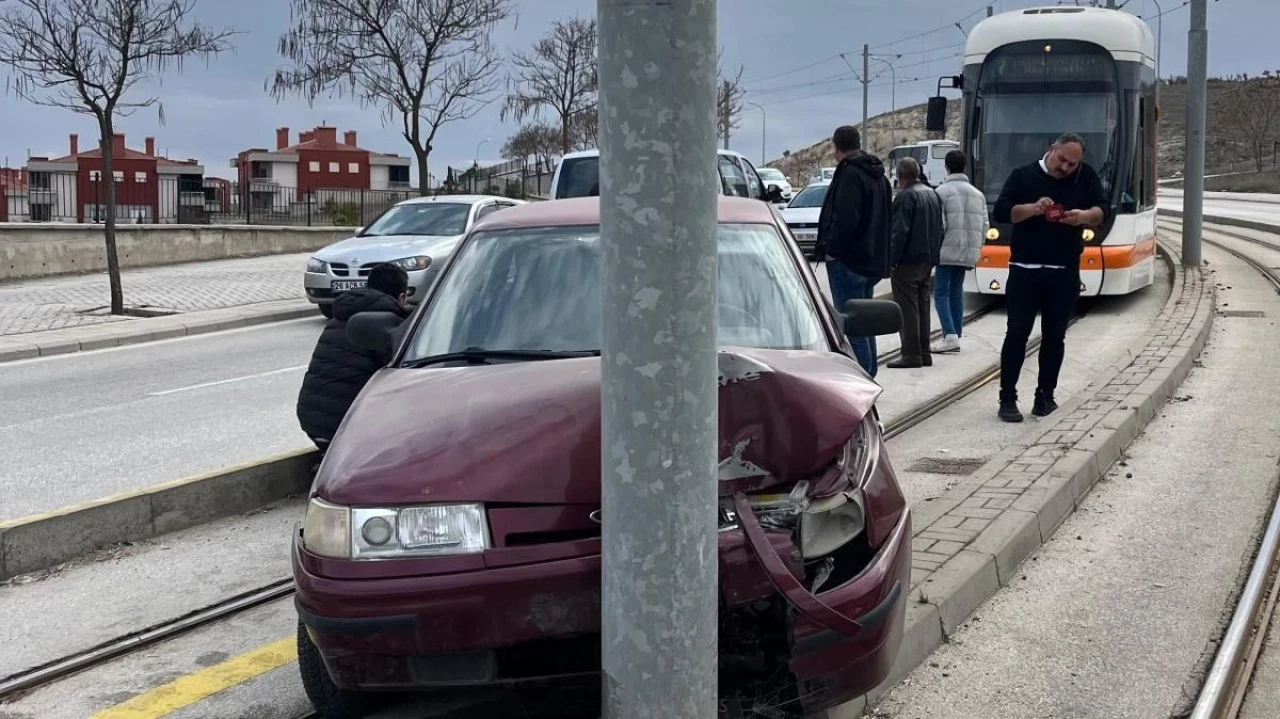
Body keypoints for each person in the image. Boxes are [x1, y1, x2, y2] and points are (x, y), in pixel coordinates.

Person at [993, 132, 1108, 422]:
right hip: (1025, 269)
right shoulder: (1023, 176)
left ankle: (1045, 396)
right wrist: (1033, 209)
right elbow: (1003, 212)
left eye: (1072, 164)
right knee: (1017, 334)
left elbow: (1102, 209)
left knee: (1055, 337)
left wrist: (1084, 216)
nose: (1066, 168)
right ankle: (1007, 398)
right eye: (1062, 160)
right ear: (1051, 150)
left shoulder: (1086, 175)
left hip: (1064, 270)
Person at [297, 263, 410, 451]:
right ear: (401, 297)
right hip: (346, 426)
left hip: (311, 418)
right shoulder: (388, 325)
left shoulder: (340, 316)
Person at [814, 125, 893, 377]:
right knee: (864, 321)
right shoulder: (878, 175)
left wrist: (832, 250)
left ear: (836, 147)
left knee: (852, 325)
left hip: (848, 261)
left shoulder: (849, 174)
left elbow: (846, 218)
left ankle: (862, 378)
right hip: (871, 260)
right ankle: (869, 372)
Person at [886, 157, 944, 369]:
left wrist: (893, 260)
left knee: (907, 307)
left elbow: (900, 232)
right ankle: (924, 351)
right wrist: (934, 257)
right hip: (927, 260)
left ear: (900, 177)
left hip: (908, 261)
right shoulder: (932, 194)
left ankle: (911, 354)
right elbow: (941, 228)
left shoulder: (906, 197)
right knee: (922, 305)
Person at [931, 150, 989, 354]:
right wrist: (977, 248)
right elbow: (984, 225)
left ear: (946, 167)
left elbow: (940, 225)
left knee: (940, 293)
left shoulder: (941, 192)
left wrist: (935, 249)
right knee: (956, 291)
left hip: (946, 250)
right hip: (968, 251)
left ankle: (950, 335)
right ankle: (956, 331)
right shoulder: (977, 194)